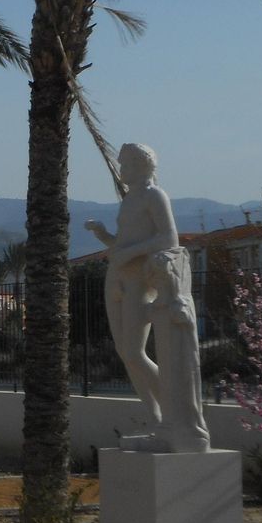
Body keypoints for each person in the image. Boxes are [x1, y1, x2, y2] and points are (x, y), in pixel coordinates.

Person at [85, 144, 178, 425]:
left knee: (136, 353)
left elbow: (169, 238)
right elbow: (123, 244)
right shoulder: (129, 199)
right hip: (117, 278)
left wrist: (130, 253)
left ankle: (174, 409)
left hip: (139, 280)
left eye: (125, 164)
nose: (121, 169)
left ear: (141, 165)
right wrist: (104, 236)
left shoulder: (154, 195)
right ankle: (156, 418)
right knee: (125, 353)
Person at [145, 247, 210, 452]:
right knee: (167, 385)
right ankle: (170, 424)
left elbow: (184, 319)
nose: (155, 281)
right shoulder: (158, 306)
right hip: (166, 359)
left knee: (182, 388)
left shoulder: (179, 304)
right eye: (154, 277)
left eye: (159, 276)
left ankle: (188, 429)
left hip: (181, 359)